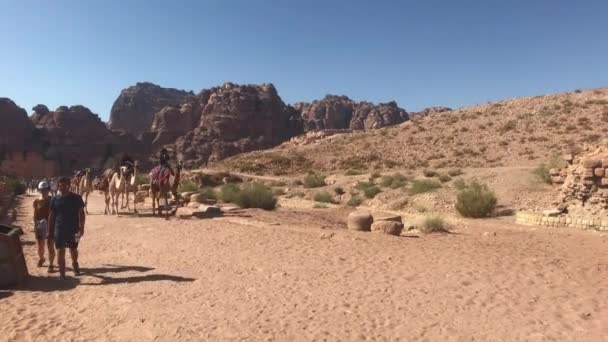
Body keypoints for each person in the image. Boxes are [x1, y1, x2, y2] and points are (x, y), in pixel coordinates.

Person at [48, 177, 85, 279]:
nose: (62, 187)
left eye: (64, 185)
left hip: (74, 229)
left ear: (69, 185)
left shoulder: (77, 198)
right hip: (59, 229)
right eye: (60, 185)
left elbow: (81, 213)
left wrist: (82, 227)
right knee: (60, 250)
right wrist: (50, 231)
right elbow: (51, 215)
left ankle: (75, 263)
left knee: (73, 249)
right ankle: (62, 274)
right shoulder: (54, 199)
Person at [33, 181, 55, 270]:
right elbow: (35, 214)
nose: (44, 191)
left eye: (45, 190)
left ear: (48, 190)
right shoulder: (36, 201)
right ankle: (42, 258)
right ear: (39, 190)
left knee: (50, 246)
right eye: (42, 190)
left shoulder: (53, 201)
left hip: (50, 226)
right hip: (40, 227)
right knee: (40, 247)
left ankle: (51, 264)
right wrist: (35, 225)